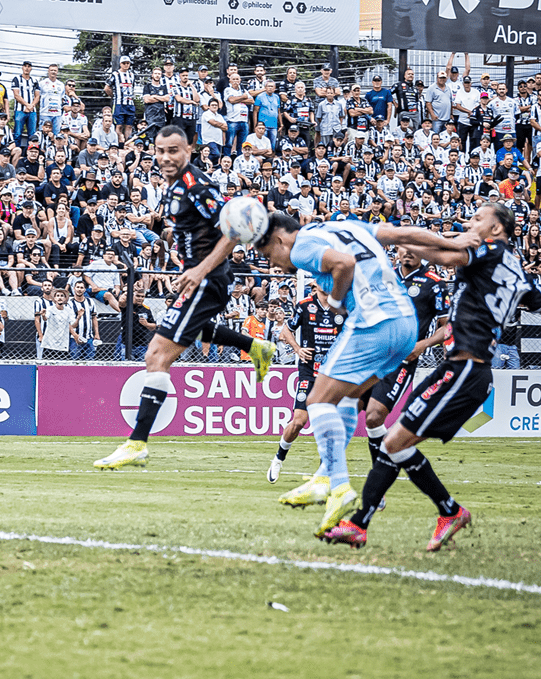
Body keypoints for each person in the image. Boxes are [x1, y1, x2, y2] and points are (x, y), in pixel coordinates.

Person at [325, 203, 541, 550]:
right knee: (396, 443)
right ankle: (430, 514)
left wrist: (390, 237)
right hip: (459, 368)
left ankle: (376, 521)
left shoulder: (489, 251)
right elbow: (534, 298)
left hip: (466, 370)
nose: (471, 223)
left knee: (395, 442)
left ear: (497, 229)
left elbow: (445, 256)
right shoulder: (516, 268)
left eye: (478, 219)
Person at [254, 211, 476, 539]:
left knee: (317, 401)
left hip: (373, 322)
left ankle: (338, 487)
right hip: (405, 325)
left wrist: (334, 300)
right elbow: (401, 233)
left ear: (279, 239)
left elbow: (343, 264)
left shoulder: (300, 247)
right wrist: (453, 243)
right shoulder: (344, 226)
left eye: (268, 254)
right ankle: (323, 476)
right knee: (347, 399)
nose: (272, 263)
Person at [94, 126, 276, 471]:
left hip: (209, 280)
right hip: (199, 277)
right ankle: (255, 347)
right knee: (183, 330)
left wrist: (199, 269)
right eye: (160, 151)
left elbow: (233, 230)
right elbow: (190, 229)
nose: (165, 157)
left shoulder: (197, 185)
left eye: (173, 150)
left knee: (156, 355)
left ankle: (137, 443)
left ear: (189, 150)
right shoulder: (174, 185)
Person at [360, 247, 449, 474]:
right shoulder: (382, 276)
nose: (408, 252)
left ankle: (379, 471)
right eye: (404, 248)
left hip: (401, 360)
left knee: (374, 416)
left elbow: (447, 327)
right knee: (343, 411)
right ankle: (328, 474)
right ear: (397, 251)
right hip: (372, 355)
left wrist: (423, 344)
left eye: (414, 248)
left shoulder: (434, 283)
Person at [268, 282, 346, 492]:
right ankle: (278, 458)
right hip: (309, 371)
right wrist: (297, 349)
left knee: (329, 424)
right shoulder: (304, 305)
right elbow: (286, 330)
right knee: (299, 421)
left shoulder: (343, 306)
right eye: (323, 280)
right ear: (316, 284)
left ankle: (323, 475)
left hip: (332, 374)